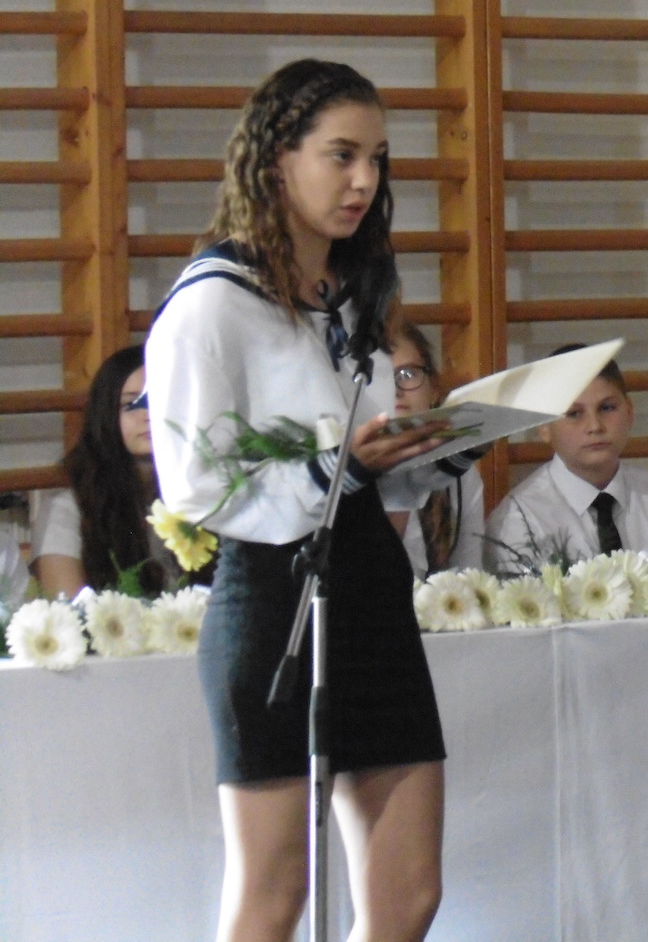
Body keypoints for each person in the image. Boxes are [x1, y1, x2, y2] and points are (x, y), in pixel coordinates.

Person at [145, 58, 476, 942]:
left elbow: (367, 467)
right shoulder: (211, 305)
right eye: (342, 155)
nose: (364, 180)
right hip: (274, 600)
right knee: (274, 896)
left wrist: (440, 447)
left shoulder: (351, 294)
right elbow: (197, 486)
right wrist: (342, 468)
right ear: (276, 161)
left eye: (377, 159)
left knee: (408, 895)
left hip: (372, 590)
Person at [484, 350, 648, 570]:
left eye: (607, 408)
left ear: (629, 412)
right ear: (544, 426)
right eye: (574, 413)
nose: (595, 426)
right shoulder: (519, 520)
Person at [30, 344, 191, 599]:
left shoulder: (203, 494)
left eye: (160, 400)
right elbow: (67, 609)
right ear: (105, 414)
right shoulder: (69, 508)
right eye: (131, 404)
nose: (149, 415)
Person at [386, 321, 485, 578]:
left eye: (408, 374)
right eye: (380, 377)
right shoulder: (346, 473)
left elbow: (470, 579)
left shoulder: (460, 475)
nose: (396, 391)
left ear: (433, 389)